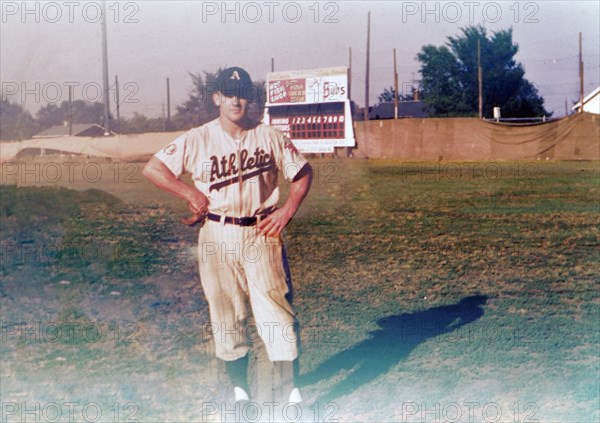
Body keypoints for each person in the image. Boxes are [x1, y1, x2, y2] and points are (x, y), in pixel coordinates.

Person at [143, 67, 312, 411]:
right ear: (217, 98)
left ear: (250, 98)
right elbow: (154, 168)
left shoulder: (270, 136)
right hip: (217, 234)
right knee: (226, 314)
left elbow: (303, 173)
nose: (237, 100)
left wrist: (287, 210)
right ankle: (241, 396)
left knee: (275, 311)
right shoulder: (197, 138)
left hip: (261, 231)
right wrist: (188, 192)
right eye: (229, 93)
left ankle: (290, 396)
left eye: (243, 93)